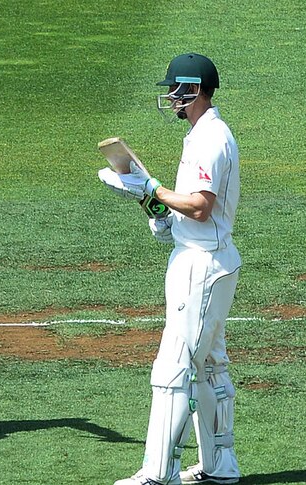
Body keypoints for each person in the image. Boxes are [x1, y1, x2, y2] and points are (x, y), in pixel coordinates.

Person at [99, 53, 242, 485]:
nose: (170, 97)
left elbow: (200, 206)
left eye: (175, 90)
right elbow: (190, 209)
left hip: (202, 266)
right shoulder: (201, 134)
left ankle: (158, 474)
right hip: (203, 257)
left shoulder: (211, 139)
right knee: (210, 365)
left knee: (174, 368)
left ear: (194, 90)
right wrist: (158, 210)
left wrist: (150, 187)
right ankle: (221, 466)